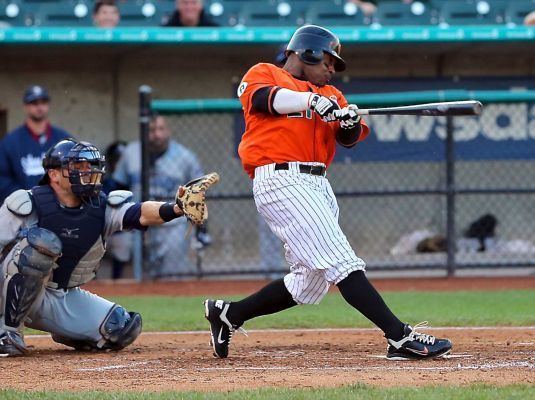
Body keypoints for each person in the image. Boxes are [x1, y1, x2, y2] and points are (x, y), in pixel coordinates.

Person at [204, 25, 452, 361]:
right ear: (307, 53)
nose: (332, 69)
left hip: (318, 184)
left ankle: (229, 314)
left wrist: (347, 122)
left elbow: (347, 138)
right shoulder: (266, 73)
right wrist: (312, 101)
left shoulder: (333, 95)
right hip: (281, 179)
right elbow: (265, 99)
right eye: (329, 61)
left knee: (310, 283)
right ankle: (399, 336)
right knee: (341, 261)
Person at [0, 138, 215, 356]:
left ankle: (70, 331)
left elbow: (140, 212)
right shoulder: (26, 203)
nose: (86, 171)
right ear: (54, 175)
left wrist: (176, 208)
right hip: (4, 291)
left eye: (88, 166)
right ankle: (7, 332)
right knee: (39, 247)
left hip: (54, 294)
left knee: (120, 328)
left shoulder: (100, 207)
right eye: (77, 166)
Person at [113, 115, 206, 277]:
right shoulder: (131, 153)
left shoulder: (185, 157)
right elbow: (118, 188)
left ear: (169, 131)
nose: (157, 135)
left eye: (161, 129)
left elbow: (198, 194)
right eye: (151, 130)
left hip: (174, 226)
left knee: (173, 277)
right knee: (139, 278)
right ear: (143, 132)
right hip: (138, 223)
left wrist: (203, 229)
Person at [0, 85, 72, 204]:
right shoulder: (10, 142)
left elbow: (76, 172)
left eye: (43, 102)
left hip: (60, 207)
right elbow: (2, 179)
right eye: (34, 103)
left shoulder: (64, 140)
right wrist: (24, 200)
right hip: (23, 211)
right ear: (25, 107)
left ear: (48, 105)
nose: (39, 107)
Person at [102, 141, 130, 279]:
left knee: (123, 242)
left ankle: (117, 282)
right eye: (116, 159)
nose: (118, 164)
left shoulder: (132, 183)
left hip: (123, 231)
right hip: (103, 231)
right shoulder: (104, 183)